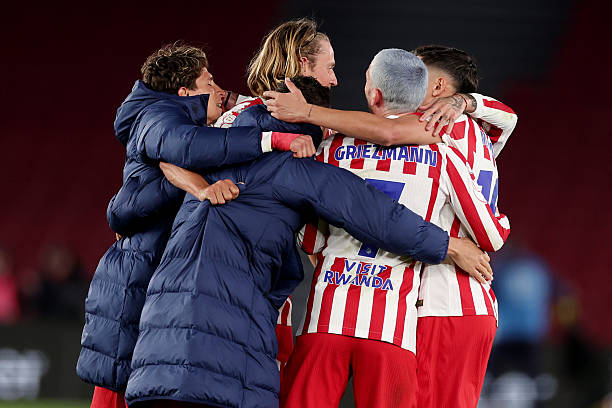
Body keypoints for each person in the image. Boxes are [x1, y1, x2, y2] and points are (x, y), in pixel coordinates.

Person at [120, 74, 492, 407]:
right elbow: (375, 214)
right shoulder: (295, 168)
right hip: (227, 335)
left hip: (157, 339)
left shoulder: (206, 152)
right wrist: (448, 246)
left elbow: (127, 205)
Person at [76, 43, 313, 408]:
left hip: (158, 280)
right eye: (209, 82)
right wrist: (271, 141)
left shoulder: (183, 124)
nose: (218, 89)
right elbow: (182, 151)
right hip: (141, 281)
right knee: (123, 388)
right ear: (185, 92)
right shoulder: (159, 117)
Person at [279, 49, 509, 408]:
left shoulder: (330, 146)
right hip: (397, 323)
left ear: (374, 94)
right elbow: (492, 235)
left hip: (330, 311)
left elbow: (309, 237)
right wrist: (458, 241)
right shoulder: (444, 147)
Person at [412, 44, 517, 408]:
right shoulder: (479, 133)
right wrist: (466, 102)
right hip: (473, 303)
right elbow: (510, 118)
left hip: (439, 299)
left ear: (438, 86)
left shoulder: (430, 130)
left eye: (415, 73)